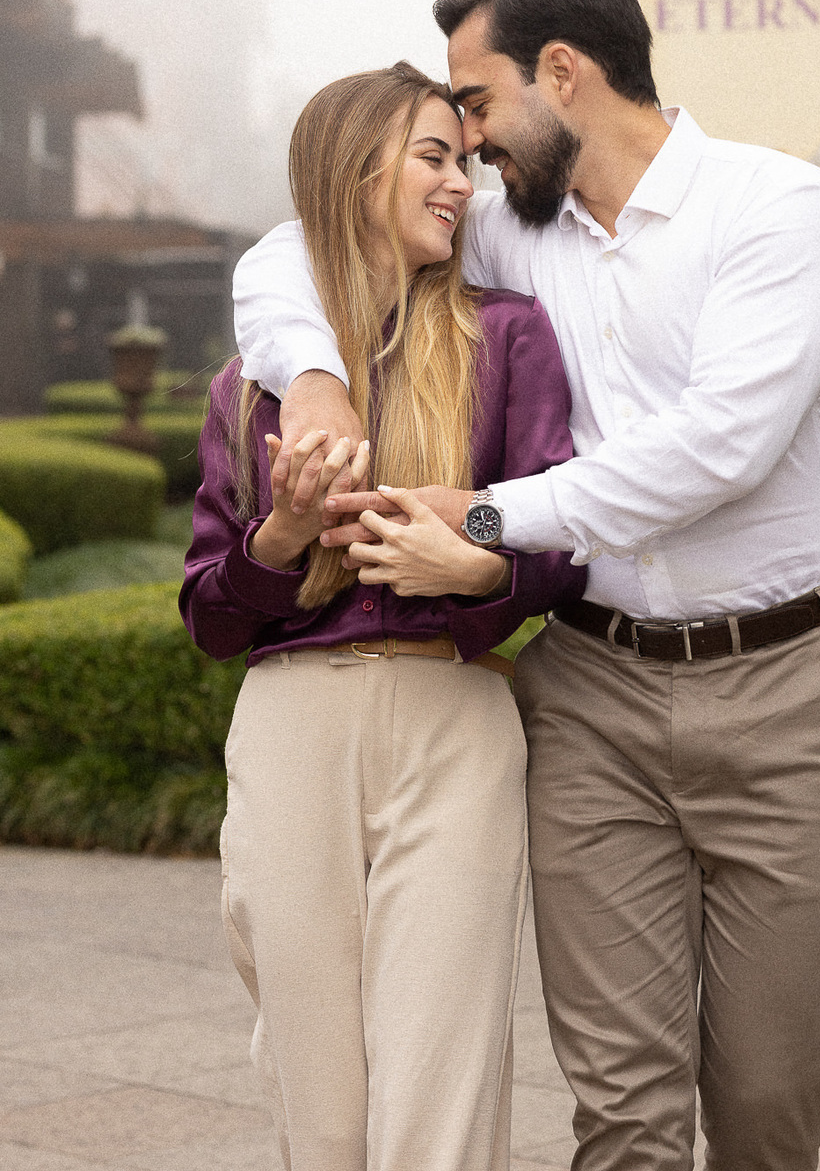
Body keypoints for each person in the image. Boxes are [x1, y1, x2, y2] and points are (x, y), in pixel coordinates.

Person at [233, 0, 820, 1171]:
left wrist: (486, 518)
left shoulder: (779, 208)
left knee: (769, 1095)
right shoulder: (521, 236)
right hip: (593, 698)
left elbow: (722, 449)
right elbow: (295, 246)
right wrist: (313, 373)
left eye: (476, 104)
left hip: (789, 689)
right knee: (625, 1109)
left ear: (564, 74)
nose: (469, 145)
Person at [182, 60, 580, 1171]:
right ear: (355, 174)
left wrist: (478, 573)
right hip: (291, 726)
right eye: (434, 158)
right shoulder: (254, 387)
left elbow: (563, 549)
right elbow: (211, 617)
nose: (463, 185)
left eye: (465, 158)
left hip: (454, 722)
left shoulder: (509, 338)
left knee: (438, 1090)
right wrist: (278, 543)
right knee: (325, 1104)